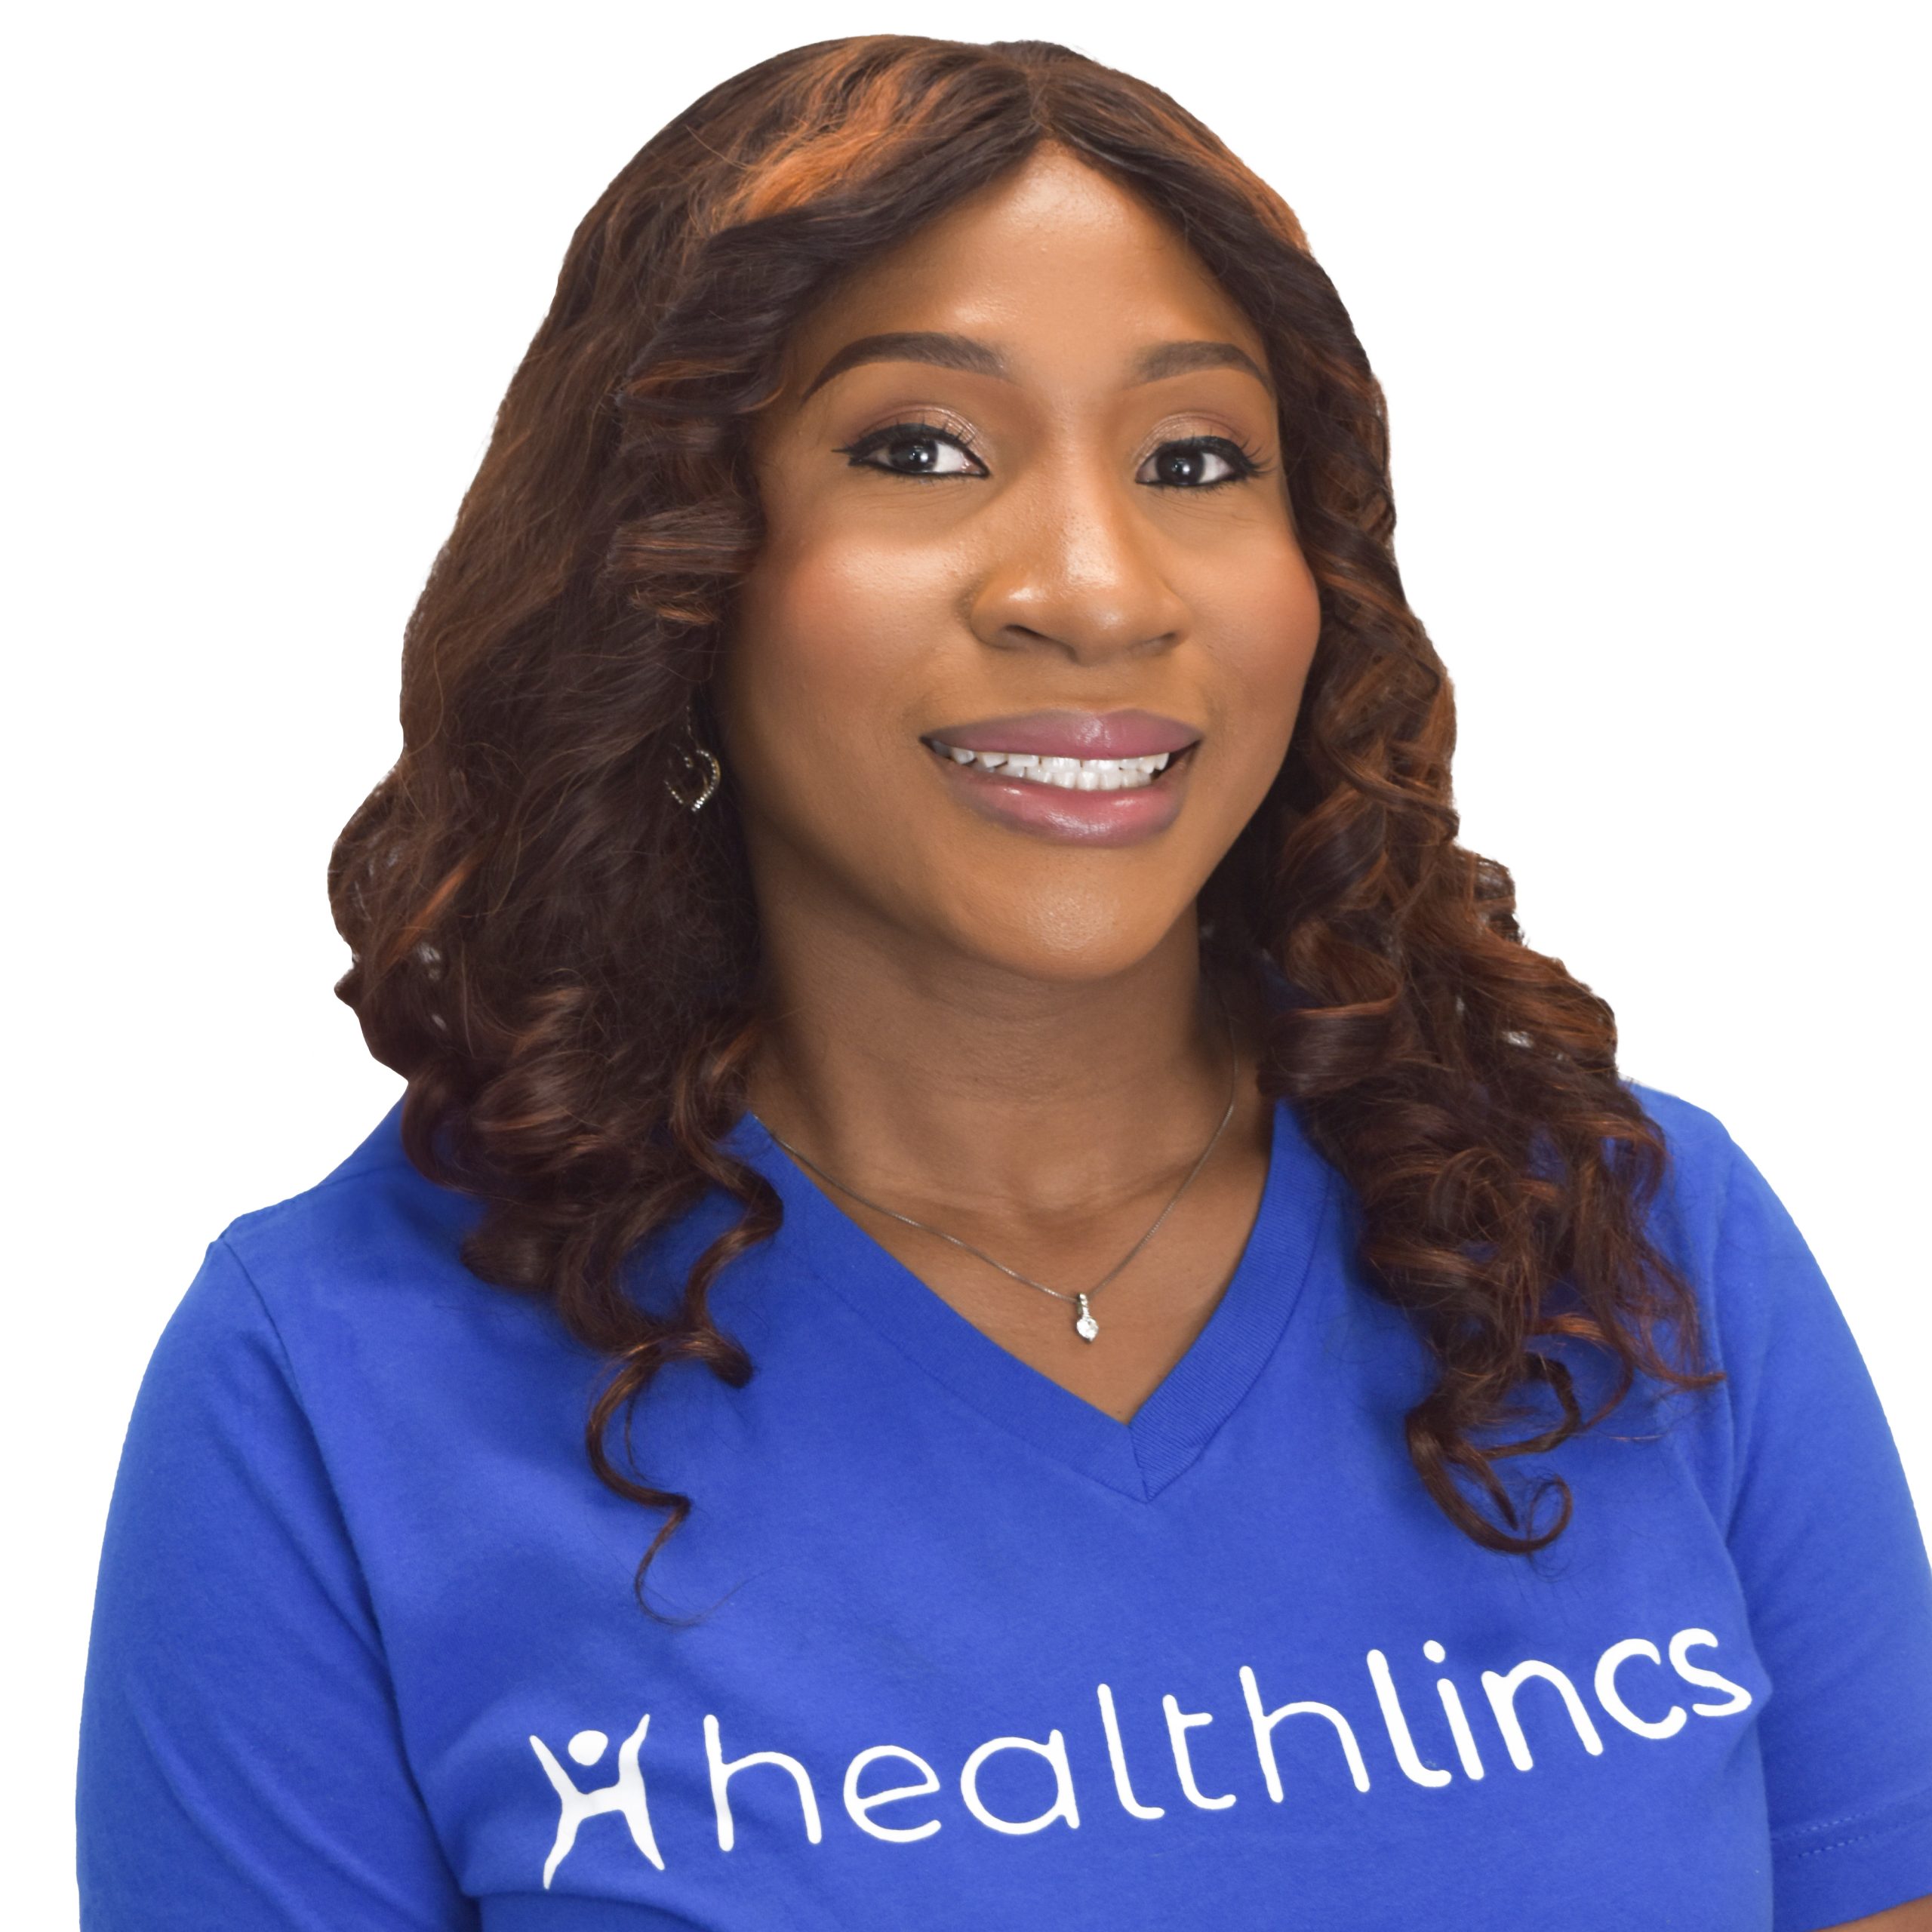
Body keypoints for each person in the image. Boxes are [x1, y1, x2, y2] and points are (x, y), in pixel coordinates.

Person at [75, 33, 1932, 1932]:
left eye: (1194, 459)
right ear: (670, 559)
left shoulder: (1629, 1240)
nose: (1094, 587)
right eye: (918, 450)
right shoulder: (327, 1386)